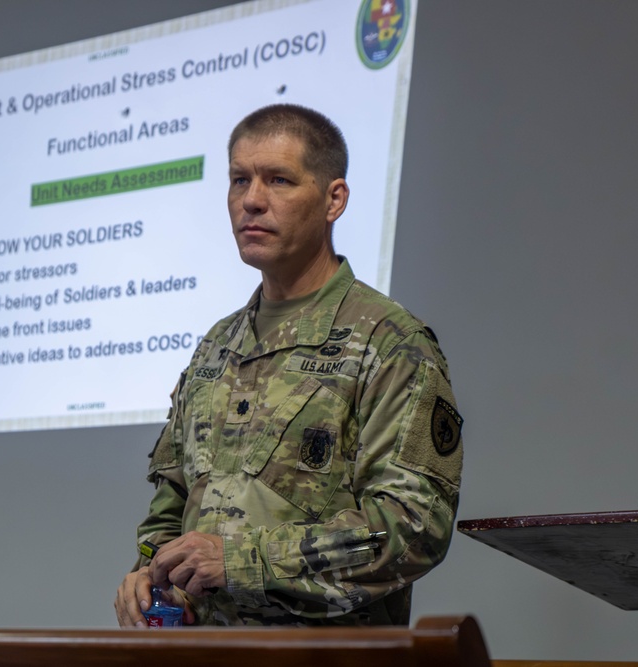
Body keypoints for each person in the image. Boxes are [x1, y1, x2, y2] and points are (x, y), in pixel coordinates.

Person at [115, 104, 463, 627]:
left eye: (278, 180)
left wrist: (241, 562)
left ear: (334, 199)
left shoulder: (389, 342)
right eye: (239, 180)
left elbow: (412, 527)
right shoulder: (216, 346)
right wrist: (148, 573)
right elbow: (173, 505)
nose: (252, 200)